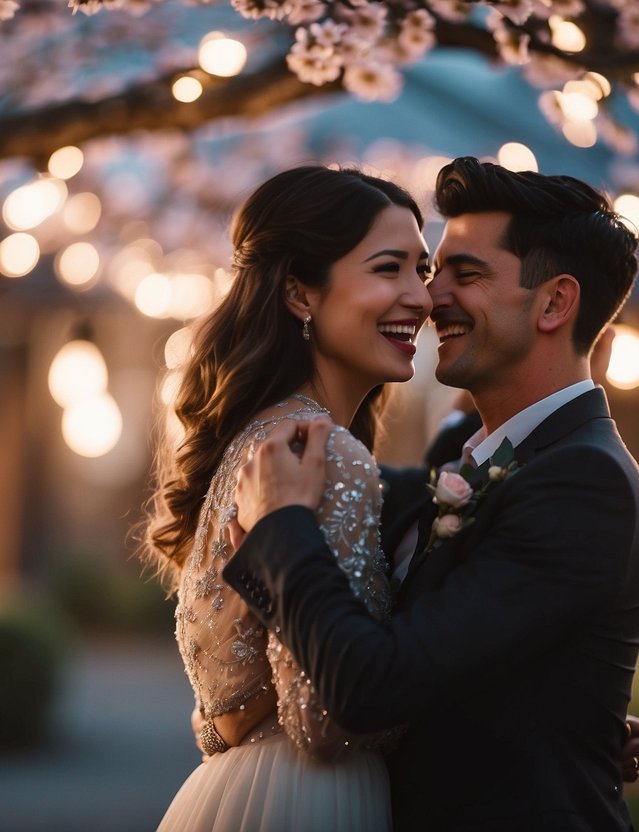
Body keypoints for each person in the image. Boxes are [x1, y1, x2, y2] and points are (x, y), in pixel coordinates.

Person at [224, 157, 639, 830]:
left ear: (554, 303)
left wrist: (280, 527)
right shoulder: (468, 463)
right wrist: (573, 711)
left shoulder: (581, 480)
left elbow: (375, 687)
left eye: (467, 274)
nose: (430, 299)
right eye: (433, 272)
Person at [143, 164, 433, 830]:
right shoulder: (320, 454)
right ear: (301, 295)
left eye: (424, 269)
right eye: (389, 269)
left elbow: (218, 721)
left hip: (231, 791)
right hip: (310, 799)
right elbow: (324, 722)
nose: (419, 297)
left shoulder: (259, 441)